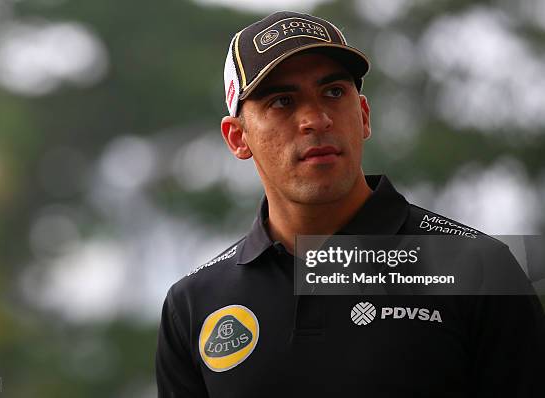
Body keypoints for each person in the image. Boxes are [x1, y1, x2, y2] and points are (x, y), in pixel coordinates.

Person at [156, 11, 545, 397]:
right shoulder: (193, 303)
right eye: (282, 101)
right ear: (237, 138)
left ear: (362, 116)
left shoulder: (478, 269)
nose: (316, 118)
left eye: (333, 92)